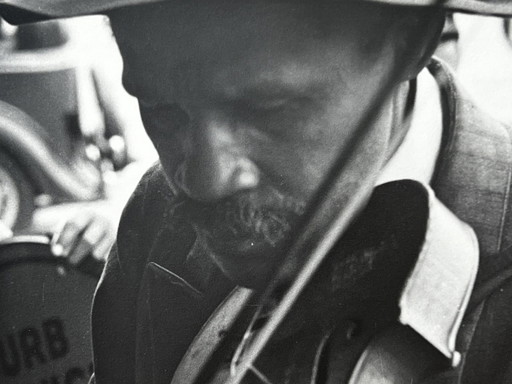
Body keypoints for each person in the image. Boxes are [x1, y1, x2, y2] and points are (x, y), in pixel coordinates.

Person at [2, 0, 512, 383]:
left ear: (411, 44)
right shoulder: (154, 211)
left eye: (268, 109)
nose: (202, 181)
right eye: (160, 109)